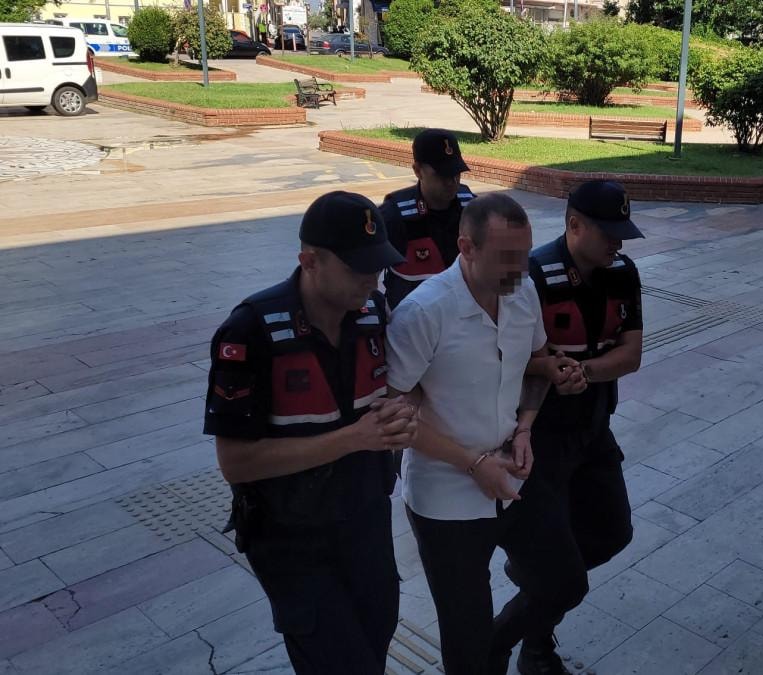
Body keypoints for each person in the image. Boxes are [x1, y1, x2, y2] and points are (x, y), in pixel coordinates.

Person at [204, 191, 416, 674]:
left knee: (375, 641)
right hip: (292, 537)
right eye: (358, 267)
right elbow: (235, 463)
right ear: (310, 262)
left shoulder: (373, 313)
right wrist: (352, 439)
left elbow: (389, 398)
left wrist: (400, 417)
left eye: (378, 265)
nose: (372, 279)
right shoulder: (251, 331)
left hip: (366, 522)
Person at [385, 193, 588, 675]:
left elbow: (537, 364)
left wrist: (526, 427)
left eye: (525, 254)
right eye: (506, 257)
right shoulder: (424, 312)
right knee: (464, 637)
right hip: (446, 496)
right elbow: (392, 415)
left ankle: (499, 645)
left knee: (565, 582)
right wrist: (472, 463)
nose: (518, 269)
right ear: (467, 248)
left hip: (513, 471)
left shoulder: (522, 291)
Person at [512, 181, 645, 673]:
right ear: (573, 225)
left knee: (612, 533)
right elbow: (506, 358)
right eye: (609, 232)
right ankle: (532, 643)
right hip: (539, 437)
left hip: (593, 427)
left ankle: (518, 611)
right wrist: (548, 369)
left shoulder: (623, 274)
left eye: (622, 232)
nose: (618, 242)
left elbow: (631, 355)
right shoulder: (532, 277)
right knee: (556, 563)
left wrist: (583, 371)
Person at [379, 128, 476, 309]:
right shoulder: (394, 215)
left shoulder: (473, 209)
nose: (452, 181)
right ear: (418, 171)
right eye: (442, 174)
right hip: (412, 320)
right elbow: (363, 273)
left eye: (456, 172)